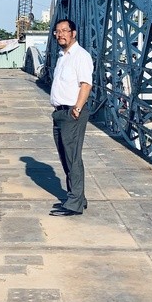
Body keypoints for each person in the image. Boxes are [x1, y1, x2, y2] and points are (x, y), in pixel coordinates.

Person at [48, 19, 93, 217]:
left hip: (71, 113)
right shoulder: (62, 56)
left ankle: (74, 203)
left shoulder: (81, 56)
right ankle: (77, 197)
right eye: (57, 32)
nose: (61, 35)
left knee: (72, 158)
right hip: (59, 113)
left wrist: (77, 108)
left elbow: (86, 84)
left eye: (65, 31)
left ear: (74, 33)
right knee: (66, 158)